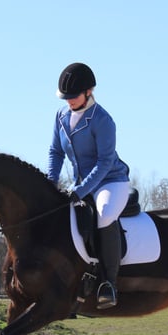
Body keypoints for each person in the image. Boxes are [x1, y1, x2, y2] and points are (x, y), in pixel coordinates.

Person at [47, 62, 131, 309]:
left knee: (104, 216)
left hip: (110, 182)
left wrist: (79, 191)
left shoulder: (103, 120)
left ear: (89, 91)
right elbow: (55, 151)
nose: (69, 101)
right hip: (80, 183)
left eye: (73, 96)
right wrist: (51, 182)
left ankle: (109, 284)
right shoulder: (61, 116)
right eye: (66, 97)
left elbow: (105, 162)